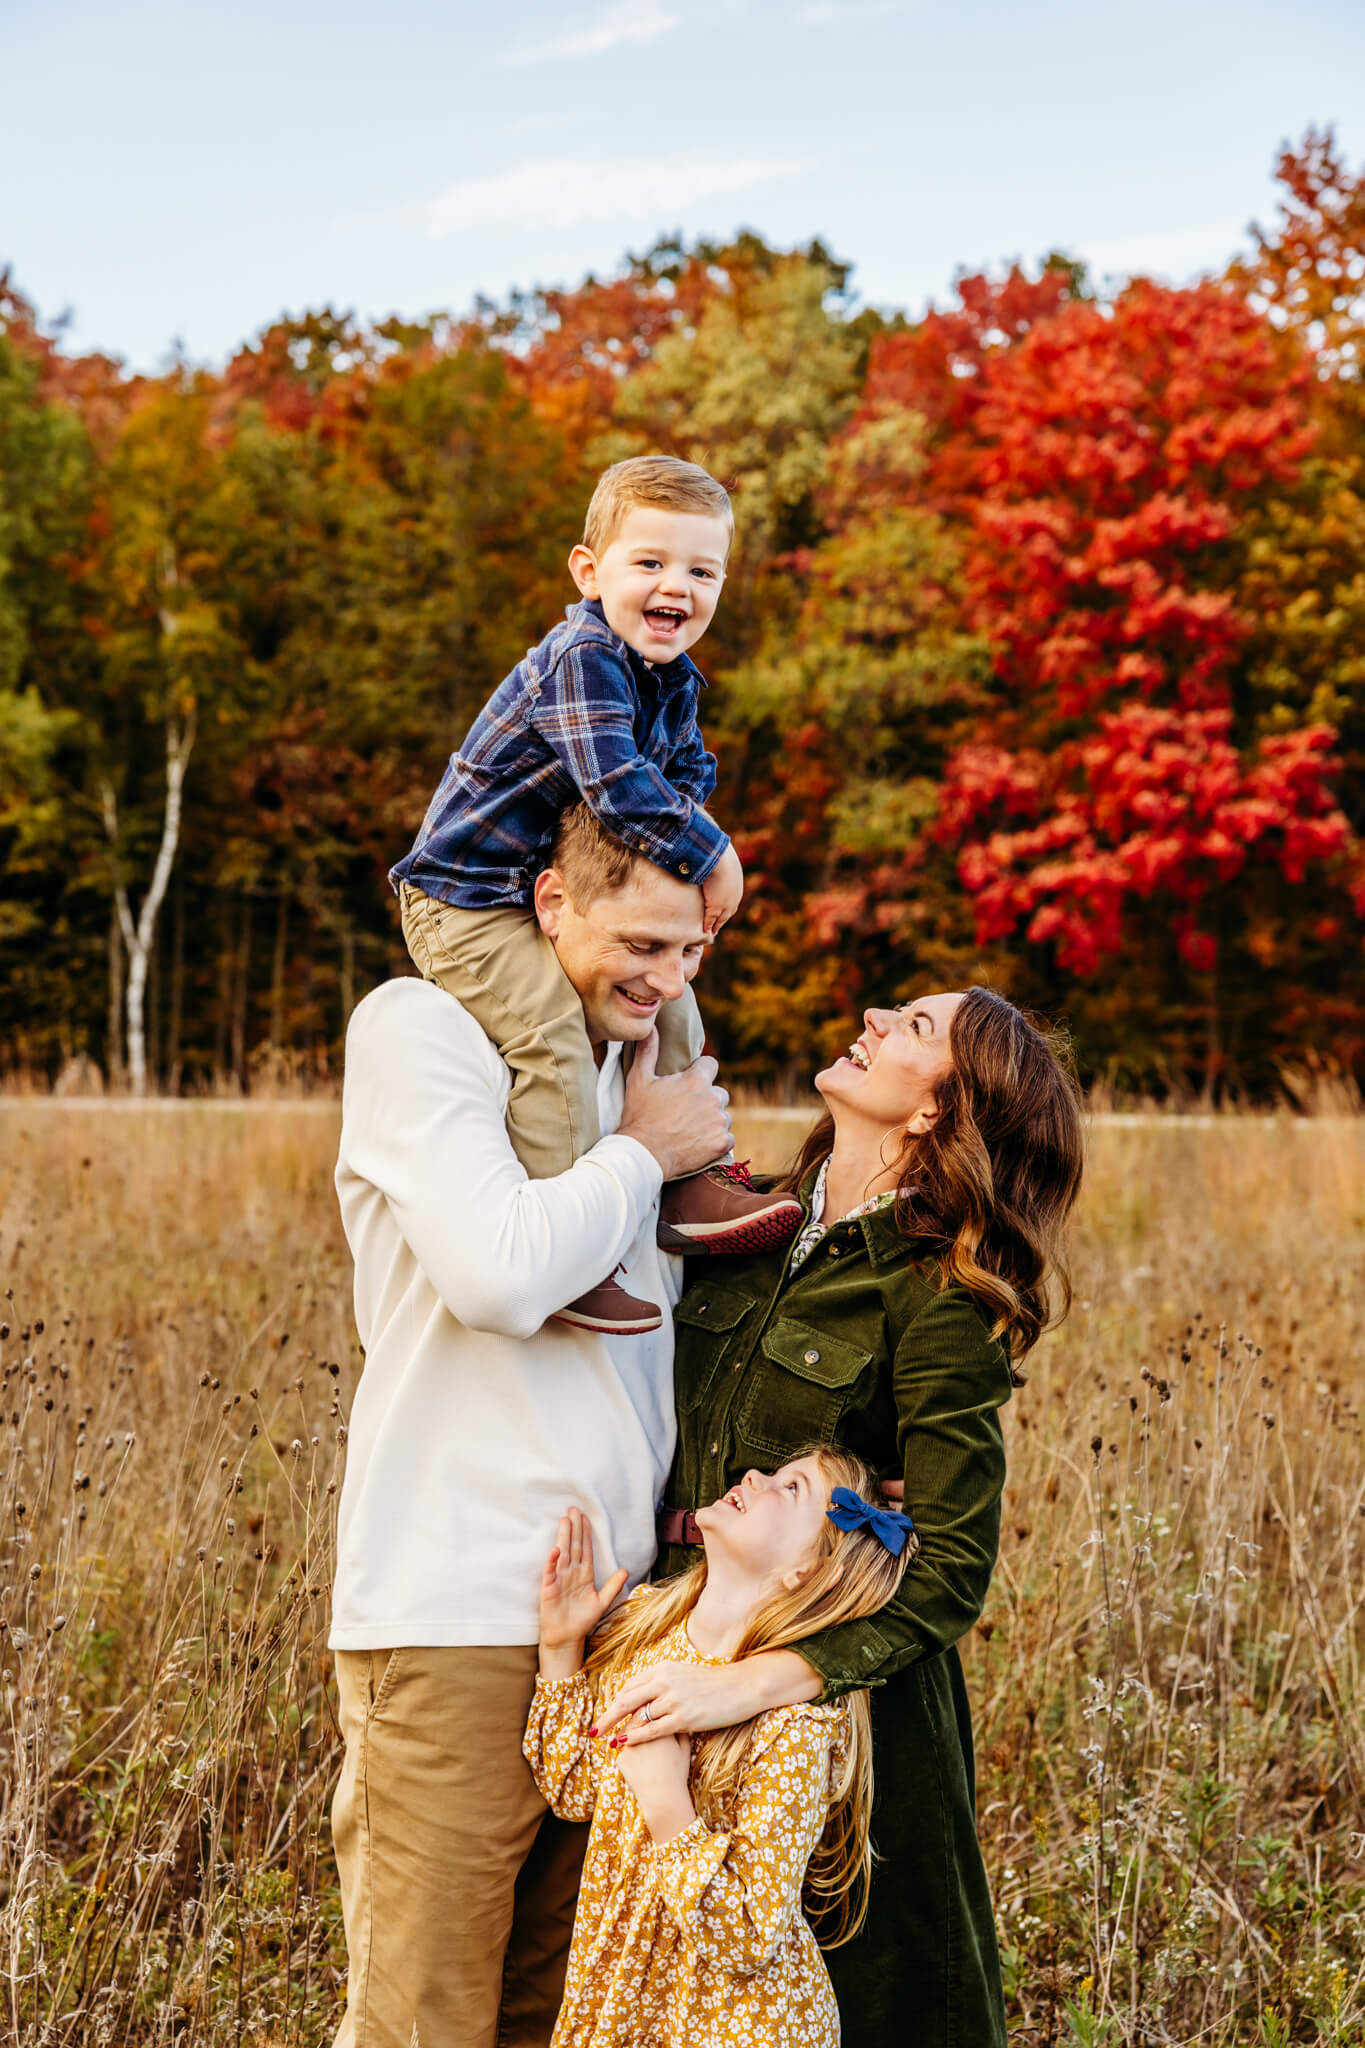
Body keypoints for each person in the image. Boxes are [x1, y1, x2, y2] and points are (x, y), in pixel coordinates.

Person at [595, 987, 1085, 2048]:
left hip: (843, 1707)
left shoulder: (937, 1291)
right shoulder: (745, 1219)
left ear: (935, 1111)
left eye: (914, 1026)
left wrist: (758, 1683)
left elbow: (952, 1565)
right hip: (680, 1631)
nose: (872, 1011)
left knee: (861, 1994)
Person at [329, 808, 744, 2048]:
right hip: (457, 1613)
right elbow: (499, 1277)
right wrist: (639, 1155)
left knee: (563, 2022)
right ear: (551, 903)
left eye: (691, 952)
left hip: (617, 1636)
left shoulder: (639, 1068)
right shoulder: (423, 1028)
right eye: (641, 942)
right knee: (424, 2022)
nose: (666, 978)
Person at [389, 454, 798, 1334]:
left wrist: (684, 898)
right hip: (464, 900)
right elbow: (617, 787)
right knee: (550, 1038)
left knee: (677, 1008)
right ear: (589, 570)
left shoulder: (674, 682)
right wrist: (713, 853)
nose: (674, 587)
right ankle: (575, 1249)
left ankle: (691, 1184)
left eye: (700, 570)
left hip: (546, 894)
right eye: (648, 563)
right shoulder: (583, 657)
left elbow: (678, 788)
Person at [524, 1448, 915, 2048]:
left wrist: (667, 1807)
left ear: (809, 1573)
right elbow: (575, 1790)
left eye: (790, 1490)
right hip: (625, 2000)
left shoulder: (794, 1721)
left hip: (730, 2024)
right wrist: (560, 1648)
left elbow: (751, 1938)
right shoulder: (647, 1629)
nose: (753, 1477)